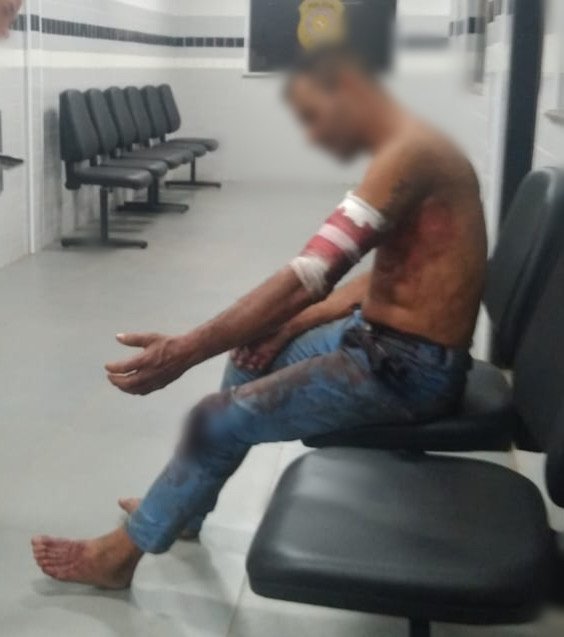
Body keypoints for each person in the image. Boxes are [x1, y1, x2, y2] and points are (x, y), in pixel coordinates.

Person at [32, 46, 487, 589]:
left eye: (317, 116)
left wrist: (186, 349)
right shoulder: (411, 147)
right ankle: (184, 509)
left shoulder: (411, 155)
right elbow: (381, 277)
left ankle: (119, 557)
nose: (316, 135)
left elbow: (310, 275)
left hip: (409, 371)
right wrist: (287, 327)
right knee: (250, 355)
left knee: (214, 420)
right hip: (377, 341)